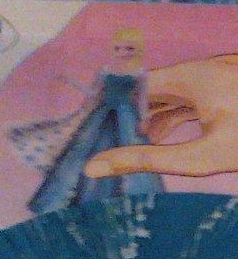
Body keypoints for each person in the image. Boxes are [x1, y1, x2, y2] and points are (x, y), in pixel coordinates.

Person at [11, 27, 164, 213]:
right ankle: (82, 200)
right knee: (84, 153)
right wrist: (73, 85)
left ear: (138, 49)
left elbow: (141, 99)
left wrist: (144, 119)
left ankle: (132, 203)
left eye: (129, 48)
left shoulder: (140, 73)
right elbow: (93, 95)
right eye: (118, 48)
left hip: (127, 119)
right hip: (101, 116)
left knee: (128, 157)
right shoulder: (105, 71)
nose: (123, 52)